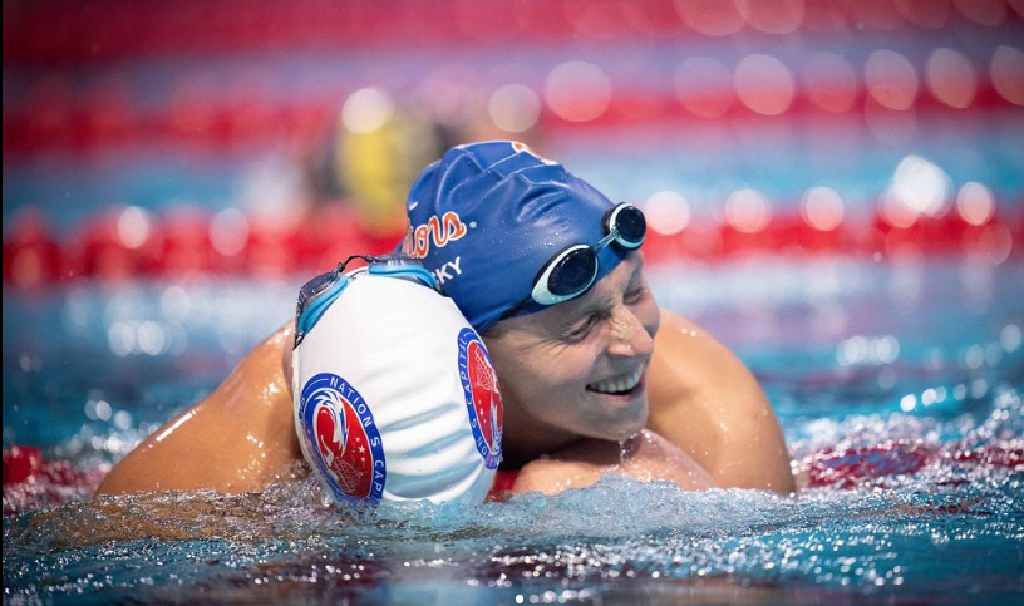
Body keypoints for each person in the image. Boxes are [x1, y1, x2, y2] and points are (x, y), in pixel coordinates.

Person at [98, 141, 795, 498]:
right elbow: (84, 550)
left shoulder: (700, 400)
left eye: (635, 291)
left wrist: (671, 505)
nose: (637, 340)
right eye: (580, 325)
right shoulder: (304, 397)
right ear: (468, 345)